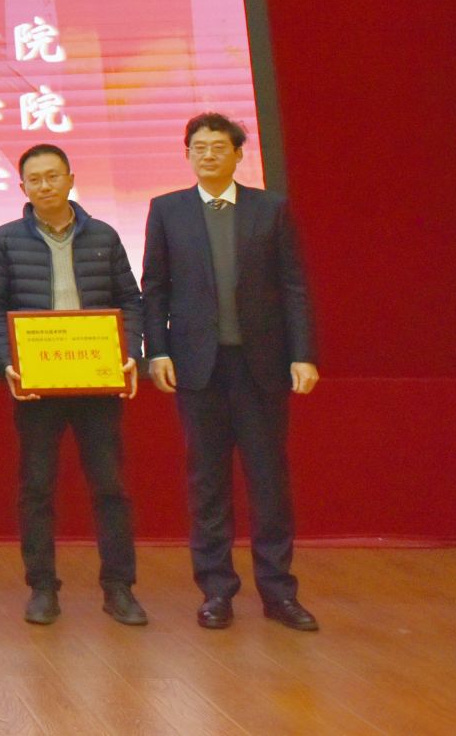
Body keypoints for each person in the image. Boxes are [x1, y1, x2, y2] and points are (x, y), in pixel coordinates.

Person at [143, 112, 321, 632]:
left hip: (261, 365)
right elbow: (154, 288)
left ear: (239, 154)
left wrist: (303, 354)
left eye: (218, 146)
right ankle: (216, 591)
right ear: (187, 154)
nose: (208, 155)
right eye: (198, 147)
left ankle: (279, 592)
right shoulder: (167, 210)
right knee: (208, 482)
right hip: (198, 367)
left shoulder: (270, 208)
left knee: (268, 480)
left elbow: (293, 286)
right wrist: (158, 351)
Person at [0, 144, 148, 627]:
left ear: (71, 179)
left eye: (53, 176)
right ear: (22, 187)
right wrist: (7, 363)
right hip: (37, 385)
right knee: (36, 487)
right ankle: (42, 588)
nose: (45, 185)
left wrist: (128, 353)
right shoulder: (4, 240)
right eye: (35, 179)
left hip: (96, 382)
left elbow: (129, 300)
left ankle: (119, 588)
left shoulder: (104, 235)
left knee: (110, 486)